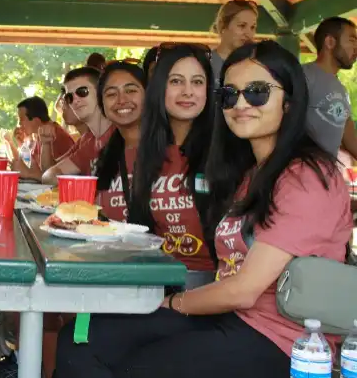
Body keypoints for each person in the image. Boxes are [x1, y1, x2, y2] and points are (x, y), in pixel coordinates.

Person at [54, 40, 353, 378]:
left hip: (282, 342)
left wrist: (171, 305)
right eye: (229, 94)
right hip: (230, 319)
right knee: (81, 340)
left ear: (289, 101)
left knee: (133, 367)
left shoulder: (306, 176)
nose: (240, 104)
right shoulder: (251, 173)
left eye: (257, 92)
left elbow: (243, 290)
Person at [130, 44, 216, 275]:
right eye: (176, 81)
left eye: (197, 82)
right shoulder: (148, 153)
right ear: (160, 88)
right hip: (158, 279)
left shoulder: (226, 152)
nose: (188, 91)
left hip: (214, 284)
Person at [93, 62, 147, 222]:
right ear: (102, 104)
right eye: (111, 94)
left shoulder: (172, 149)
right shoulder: (107, 156)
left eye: (130, 90)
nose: (122, 100)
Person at [42, 67, 114, 184]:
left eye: (82, 92)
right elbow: (48, 174)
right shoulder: (89, 142)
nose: (75, 100)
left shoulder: (124, 133)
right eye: (69, 97)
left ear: (101, 92)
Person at [303, 17, 357, 158]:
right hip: (299, 172)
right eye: (352, 40)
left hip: (325, 175)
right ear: (330, 42)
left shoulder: (342, 90)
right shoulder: (304, 75)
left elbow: (351, 142)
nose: (356, 47)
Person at [11, 96, 73, 181]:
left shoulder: (56, 136)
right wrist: (21, 144)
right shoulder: (40, 135)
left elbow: (51, 177)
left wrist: (30, 174)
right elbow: (30, 165)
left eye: (21, 119)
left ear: (36, 120)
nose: (19, 124)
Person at [211, 0, 258, 85]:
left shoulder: (256, 66)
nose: (248, 33)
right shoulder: (205, 64)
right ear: (222, 26)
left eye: (252, 27)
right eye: (242, 26)